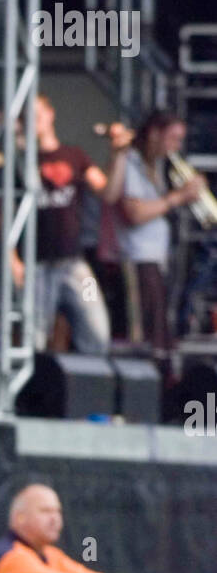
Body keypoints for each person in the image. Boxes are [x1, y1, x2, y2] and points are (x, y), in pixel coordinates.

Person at [103, 109, 207, 407]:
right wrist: (179, 197)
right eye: (173, 138)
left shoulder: (159, 167)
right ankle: (137, 401)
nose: (176, 146)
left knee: (160, 338)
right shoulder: (131, 163)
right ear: (154, 134)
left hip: (154, 262)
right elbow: (134, 212)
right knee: (142, 340)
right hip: (135, 261)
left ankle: (159, 398)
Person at [10, 95, 125, 354]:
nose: (35, 118)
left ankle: (92, 388)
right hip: (36, 266)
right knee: (34, 339)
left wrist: (117, 155)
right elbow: (3, 214)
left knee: (97, 332)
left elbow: (108, 193)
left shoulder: (75, 155)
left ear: (51, 113)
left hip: (74, 263)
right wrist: (12, 258)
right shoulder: (19, 162)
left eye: (39, 112)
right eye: (28, 115)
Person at [0, 483, 192, 573]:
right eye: (45, 511)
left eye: (58, 512)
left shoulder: (49, 555)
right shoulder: (12, 557)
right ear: (19, 518)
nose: (55, 519)